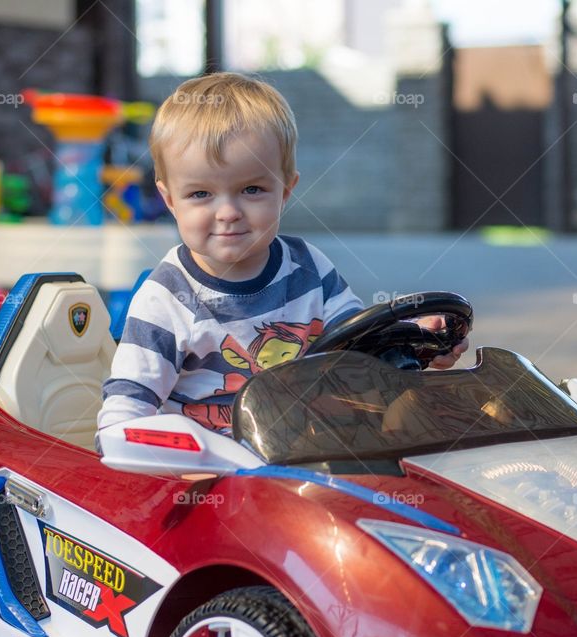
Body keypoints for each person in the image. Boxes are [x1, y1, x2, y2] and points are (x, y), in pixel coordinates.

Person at [98, 72, 468, 436]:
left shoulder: (309, 268)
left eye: (252, 189)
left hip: (308, 450)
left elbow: (360, 342)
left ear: (286, 190)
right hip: (210, 471)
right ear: (169, 200)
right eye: (200, 194)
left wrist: (414, 339)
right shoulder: (167, 297)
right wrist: (130, 444)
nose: (228, 212)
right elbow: (128, 407)